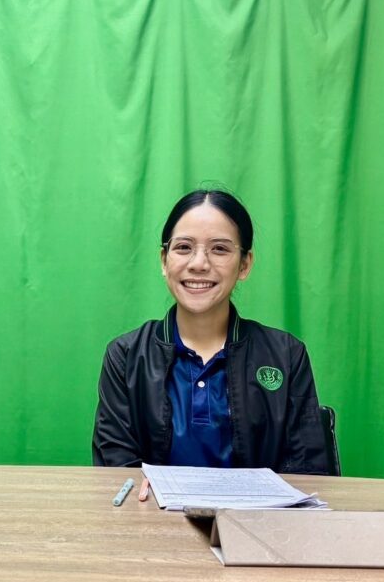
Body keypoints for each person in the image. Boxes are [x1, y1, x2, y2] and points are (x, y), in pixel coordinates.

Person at [92, 189, 329, 473]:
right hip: (152, 505)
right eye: (183, 247)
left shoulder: (286, 355)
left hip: (257, 505)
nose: (199, 264)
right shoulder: (126, 355)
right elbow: (117, 470)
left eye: (219, 249)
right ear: (164, 260)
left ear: (245, 264)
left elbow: (307, 472)